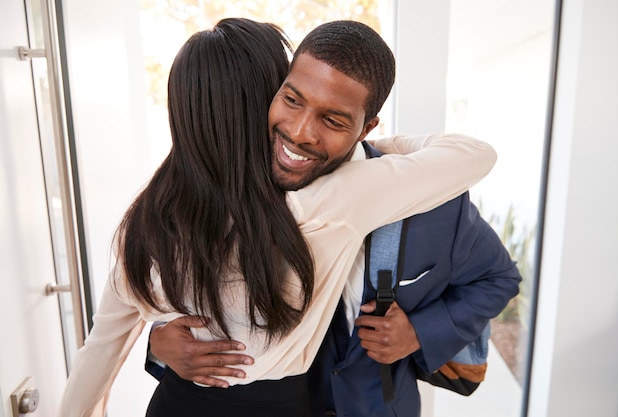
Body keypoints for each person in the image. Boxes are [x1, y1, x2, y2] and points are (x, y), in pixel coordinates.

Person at [57, 18, 496, 417]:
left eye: (331, 118)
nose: (301, 131)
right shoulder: (330, 202)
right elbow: (473, 154)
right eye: (289, 96)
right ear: (262, 105)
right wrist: (365, 141)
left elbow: (100, 348)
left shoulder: (147, 222)